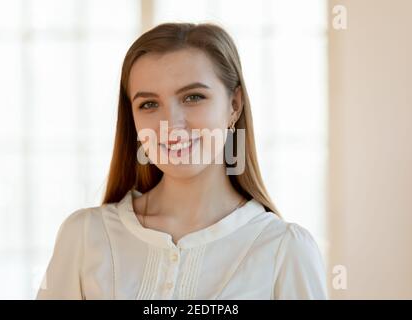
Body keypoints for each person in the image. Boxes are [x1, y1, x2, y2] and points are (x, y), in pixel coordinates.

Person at [36, 22, 327, 300]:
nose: (171, 124)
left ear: (234, 105)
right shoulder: (85, 237)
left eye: (193, 97)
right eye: (149, 104)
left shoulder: (285, 250)